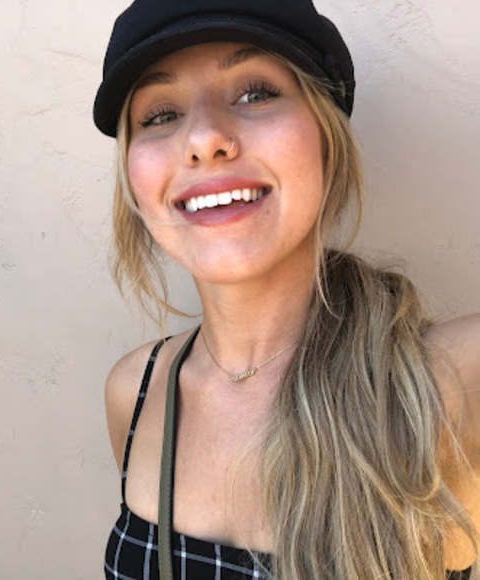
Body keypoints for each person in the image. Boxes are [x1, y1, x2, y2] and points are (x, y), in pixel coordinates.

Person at [94, 0, 480, 578]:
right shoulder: (136, 392)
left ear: (327, 137)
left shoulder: (451, 386)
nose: (204, 137)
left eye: (255, 93)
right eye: (160, 114)